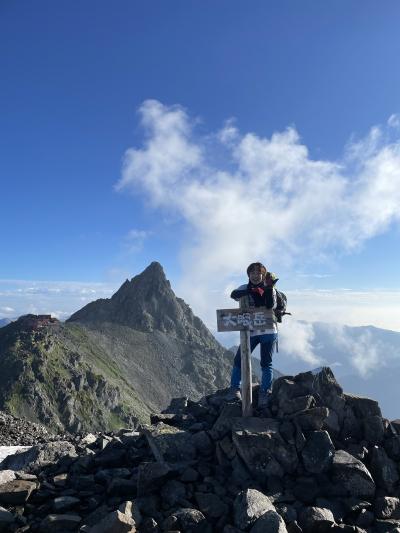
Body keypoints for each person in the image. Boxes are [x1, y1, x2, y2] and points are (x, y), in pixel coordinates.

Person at [227, 262, 278, 407]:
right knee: (239, 360)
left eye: (259, 273)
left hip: (268, 331)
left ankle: (265, 392)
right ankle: (235, 389)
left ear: (263, 275)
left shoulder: (270, 289)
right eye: (252, 273)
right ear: (248, 275)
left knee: (266, 363)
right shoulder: (244, 288)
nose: (255, 276)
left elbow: (270, 305)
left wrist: (266, 288)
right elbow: (233, 294)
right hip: (251, 331)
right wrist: (251, 291)